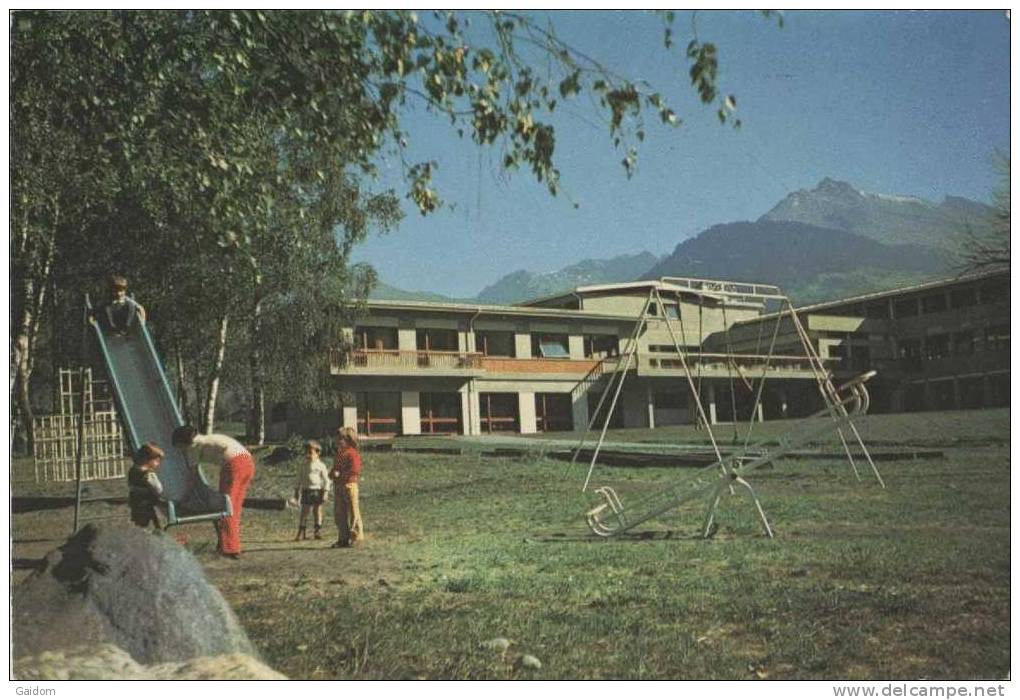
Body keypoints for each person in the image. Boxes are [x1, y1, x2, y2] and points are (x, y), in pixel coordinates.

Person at [172, 425, 255, 560]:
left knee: (226, 507)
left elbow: (191, 477)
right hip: (247, 462)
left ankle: (230, 548)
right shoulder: (207, 438)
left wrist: (185, 495)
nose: (180, 450)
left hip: (233, 465)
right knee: (234, 507)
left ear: (183, 443)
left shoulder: (193, 447)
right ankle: (227, 543)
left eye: (179, 447)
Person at [330, 427, 364, 548]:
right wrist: (332, 473)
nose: (337, 441)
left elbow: (355, 470)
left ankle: (356, 537)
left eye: (340, 439)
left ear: (347, 439)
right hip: (339, 486)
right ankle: (343, 538)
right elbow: (335, 468)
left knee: (353, 511)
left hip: (349, 485)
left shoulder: (352, 453)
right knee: (339, 513)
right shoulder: (339, 454)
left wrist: (341, 474)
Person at [294, 440, 331, 541]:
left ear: (318, 453)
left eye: (311, 453)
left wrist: (326, 492)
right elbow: (298, 479)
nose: (308, 455)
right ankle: (301, 531)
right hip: (306, 490)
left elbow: (326, 480)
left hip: (317, 491)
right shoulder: (303, 466)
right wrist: (296, 491)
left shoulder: (321, 465)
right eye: (306, 453)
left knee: (317, 511)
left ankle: (317, 530)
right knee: (305, 511)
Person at [128, 442, 166, 530]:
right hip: (148, 503)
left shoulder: (133, 471)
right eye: (157, 461)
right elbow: (158, 488)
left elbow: (131, 485)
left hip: (135, 502)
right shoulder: (149, 474)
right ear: (148, 459)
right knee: (154, 523)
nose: (158, 464)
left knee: (139, 524)